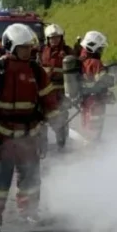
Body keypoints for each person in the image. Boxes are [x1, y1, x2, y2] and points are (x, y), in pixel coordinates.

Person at [0, 23, 62, 232]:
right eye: (24, 47)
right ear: (10, 46)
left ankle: (30, 212)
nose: (29, 51)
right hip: (2, 137)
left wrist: (58, 125)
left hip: (30, 136)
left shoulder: (36, 71)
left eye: (29, 47)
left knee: (31, 180)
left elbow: (49, 101)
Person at [38, 23, 73, 151]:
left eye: (57, 37)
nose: (54, 40)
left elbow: (75, 68)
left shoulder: (68, 51)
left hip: (61, 90)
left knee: (61, 117)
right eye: (52, 38)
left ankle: (61, 143)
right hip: (44, 90)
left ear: (61, 38)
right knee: (41, 117)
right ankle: (42, 143)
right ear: (47, 39)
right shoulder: (41, 51)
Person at [77, 31, 115, 142]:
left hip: (84, 100)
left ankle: (85, 147)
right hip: (95, 101)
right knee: (94, 129)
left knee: (86, 126)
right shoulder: (96, 63)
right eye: (100, 48)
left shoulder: (81, 59)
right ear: (93, 47)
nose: (101, 51)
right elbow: (103, 82)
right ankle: (93, 152)